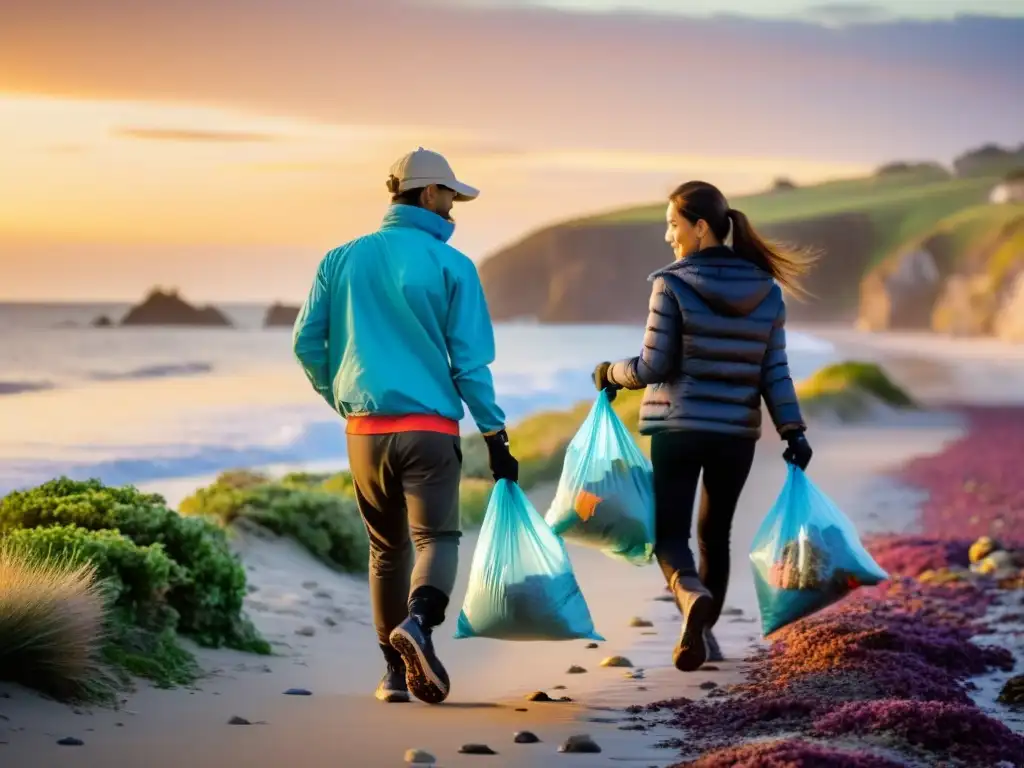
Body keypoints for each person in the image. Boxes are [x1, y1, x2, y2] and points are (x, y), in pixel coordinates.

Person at [293, 147, 519, 705]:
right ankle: (418, 624)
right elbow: (469, 363)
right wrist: (495, 436)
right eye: (449, 197)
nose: (453, 209)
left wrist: (342, 398)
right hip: (428, 431)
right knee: (436, 539)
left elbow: (305, 343)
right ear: (425, 195)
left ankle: (393, 676)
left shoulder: (339, 259)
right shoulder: (453, 265)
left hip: (364, 432)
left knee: (385, 550)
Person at [592, 180, 814, 672]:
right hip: (736, 435)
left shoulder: (671, 284)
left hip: (678, 428)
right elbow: (773, 371)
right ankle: (706, 637)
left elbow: (652, 367)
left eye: (673, 225)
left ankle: (691, 599)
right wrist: (793, 430)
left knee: (671, 537)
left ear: (699, 227)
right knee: (716, 535)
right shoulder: (766, 290)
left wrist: (610, 373)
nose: (668, 236)